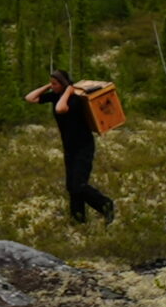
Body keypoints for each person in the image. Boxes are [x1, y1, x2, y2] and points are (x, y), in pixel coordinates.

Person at [24, 69, 116, 224]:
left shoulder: (73, 100)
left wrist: (68, 91)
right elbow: (30, 98)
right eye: (52, 84)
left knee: (79, 184)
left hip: (84, 146)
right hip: (70, 148)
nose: (53, 87)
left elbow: (61, 109)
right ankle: (78, 218)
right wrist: (48, 86)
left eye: (55, 84)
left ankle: (106, 205)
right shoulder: (56, 96)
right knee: (71, 187)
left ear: (64, 84)